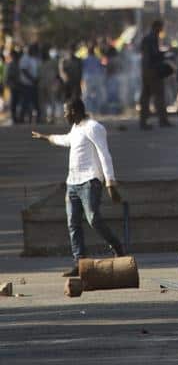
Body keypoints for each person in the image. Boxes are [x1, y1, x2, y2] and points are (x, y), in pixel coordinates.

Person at [31, 98, 125, 277]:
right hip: (72, 183)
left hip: (90, 181)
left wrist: (110, 183)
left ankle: (117, 248)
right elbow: (66, 140)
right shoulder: (75, 128)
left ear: (74, 111)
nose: (64, 115)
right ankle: (79, 262)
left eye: (66, 112)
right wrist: (46, 137)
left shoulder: (94, 127)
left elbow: (104, 154)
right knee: (73, 223)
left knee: (93, 219)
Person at [139, 20, 171, 129]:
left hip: (146, 70)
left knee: (146, 96)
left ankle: (143, 121)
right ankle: (163, 120)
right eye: (161, 27)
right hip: (153, 71)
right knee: (159, 95)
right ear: (157, 27)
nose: (162, 30)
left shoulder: (147, 38)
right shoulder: (152, 38)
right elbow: (154, 54)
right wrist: (165, 53)